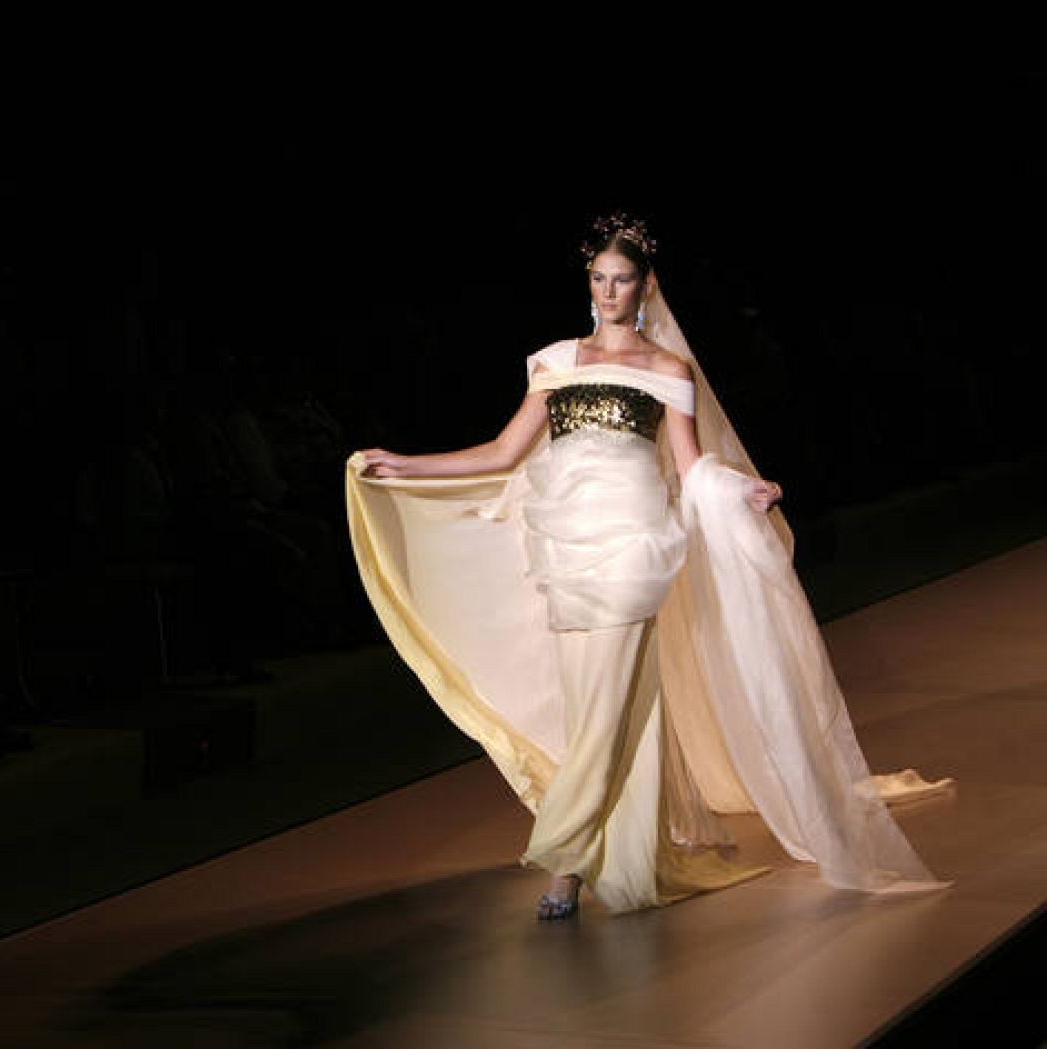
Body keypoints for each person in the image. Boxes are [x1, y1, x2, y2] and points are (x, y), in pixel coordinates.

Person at [349, 214, 950, 919]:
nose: (608, 291)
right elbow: (502, 452)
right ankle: (630, 858)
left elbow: (692, 467)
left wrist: (739, 490)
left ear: (645, 286)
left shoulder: (669, 370)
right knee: (602, 710)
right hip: (567, 546)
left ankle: (563, 862)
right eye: (598, 279)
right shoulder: (555, 361)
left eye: (622, 279)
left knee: (603, 711)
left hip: (634, 543)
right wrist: (406, 464)